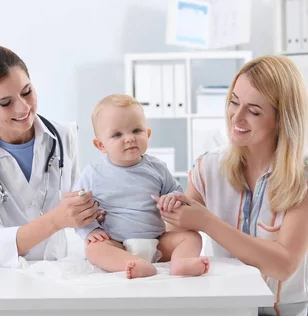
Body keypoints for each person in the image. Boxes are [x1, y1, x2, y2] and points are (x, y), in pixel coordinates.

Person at [160, 55, 308, 316]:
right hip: (232, 312)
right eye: (234, 102)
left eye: (253, 110)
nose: (236, 118)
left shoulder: (307, 172)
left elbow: (283, 265)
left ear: (280, 119)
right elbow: (170, 240)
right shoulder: (209, 167)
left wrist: (206, 221)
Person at [0, 45, 103, 268]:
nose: (23, 109)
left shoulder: (62, 136)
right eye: (6, 103)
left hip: (57, 271)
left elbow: (77, 208)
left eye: (27, 92)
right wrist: (55, 220)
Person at [75, 94, 209, 279]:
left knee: (193, 237)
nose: (129, 138)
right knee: (94, 250)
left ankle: (180, 262)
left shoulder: (157, 168)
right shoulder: (93, 173)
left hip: (157, 242)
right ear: (100, 145)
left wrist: (172, 199)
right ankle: (132, 263)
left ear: (147, 134)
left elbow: (176, 192)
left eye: (136, 130)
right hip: (116, 242)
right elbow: (78, 207)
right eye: (117, 134)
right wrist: (90, 230)